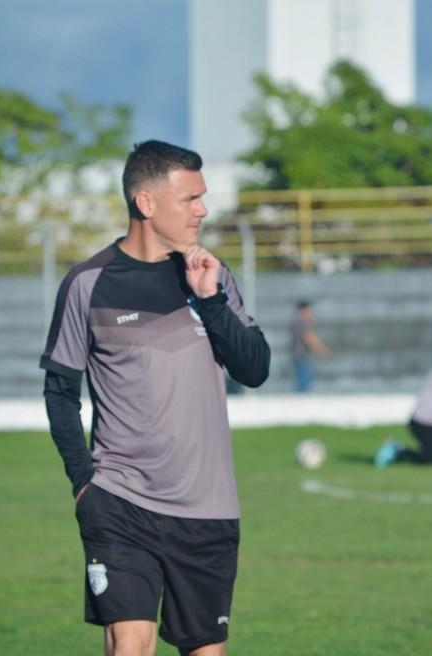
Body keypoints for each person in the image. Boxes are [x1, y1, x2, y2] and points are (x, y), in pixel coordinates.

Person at [41, 140, 270, 656]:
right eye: (190, 198)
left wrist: (209, 301)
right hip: (120, 501)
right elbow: (59, 393)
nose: (203, 209)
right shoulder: (87, 283)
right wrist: (84, 485)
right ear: (146, 203)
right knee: (131, 646)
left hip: (207, 505)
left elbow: (255, 369)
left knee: (206, 650)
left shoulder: (213, 276)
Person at [290, 300, 331, 393]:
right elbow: (308, 338)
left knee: (302, 380)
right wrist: (322, 350)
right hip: (301, 355)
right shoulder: (300, 323)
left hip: (298, 355)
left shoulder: (296, 322)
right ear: (304, 310)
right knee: (304, 382)